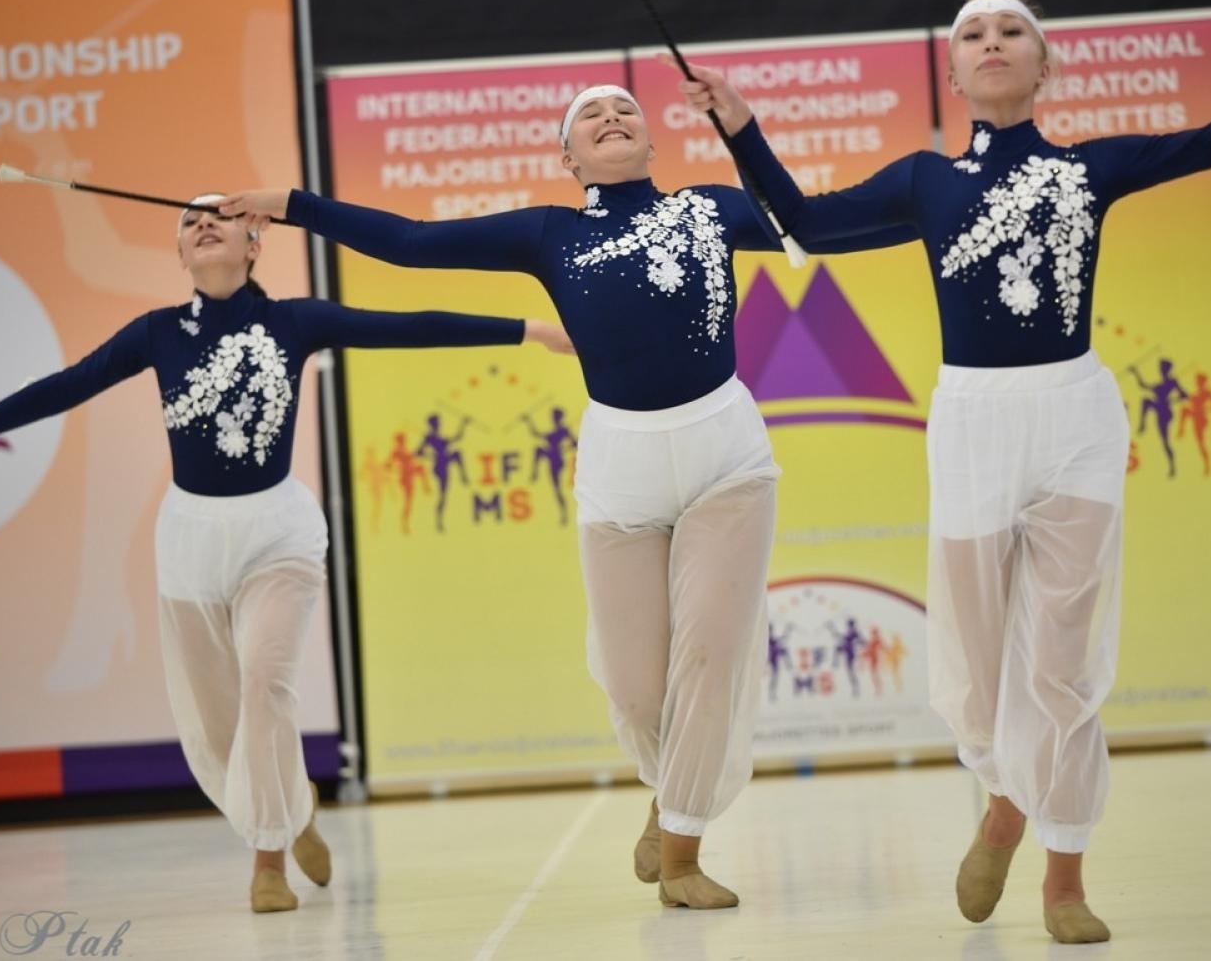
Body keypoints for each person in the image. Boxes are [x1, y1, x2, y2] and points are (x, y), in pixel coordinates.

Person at [674, 0, 1211, 942]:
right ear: (954, 77)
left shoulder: (1089, 169)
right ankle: (1003, 801)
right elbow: (810, 225)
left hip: (1073, 418)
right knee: (976, 664)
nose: (991, 40)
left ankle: (1064, 878)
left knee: (1065, 662)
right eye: (972, 34)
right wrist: (741, 126)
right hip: (973, 424)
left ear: (1045, 67)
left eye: (1011, 30)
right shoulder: (925, 180)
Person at [217, 88, 902, 909]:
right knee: (635, 688)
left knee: (709, 655)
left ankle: (682, 854)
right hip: (622, 466)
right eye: (591, 115)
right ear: (567, 158)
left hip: (726, 455)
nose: (612, 116)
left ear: (651, 141)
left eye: (626, 110)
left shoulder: (710, 208)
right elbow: (410, 242)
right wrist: (291, 204)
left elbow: (807, 224)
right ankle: (670, 792)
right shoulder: (550, 232)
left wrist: (743, 132)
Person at [0, 197, 573, 913]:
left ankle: (267, 863)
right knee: (219, 730)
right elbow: (65, 387)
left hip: (277, 533)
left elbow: (409, 327)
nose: (205, 224)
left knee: (264, 683)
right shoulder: (156, 333)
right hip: (191, 539)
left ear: (255, 244)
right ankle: (293, 807)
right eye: (191, 222)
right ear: (181, 256)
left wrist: (528, 331)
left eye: (221, 216)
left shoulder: (295, 321)